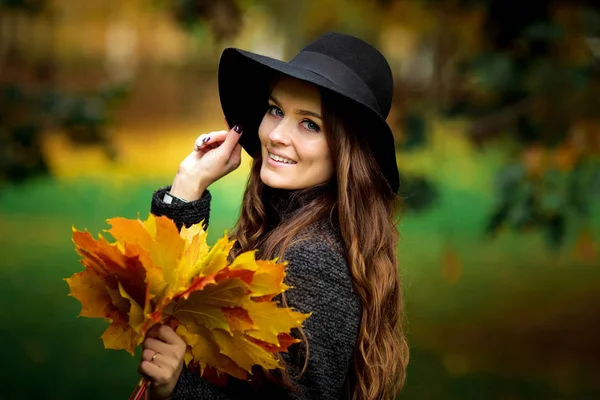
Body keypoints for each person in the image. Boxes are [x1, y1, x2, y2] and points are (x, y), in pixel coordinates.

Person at [137, 31, 409, 400]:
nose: (277, 134)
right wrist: (188, 185)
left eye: (310, 123)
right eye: (275, 110)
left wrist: (179, 387)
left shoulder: (312, 258)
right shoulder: (278, 226)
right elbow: (172, 303)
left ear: (347, 151)